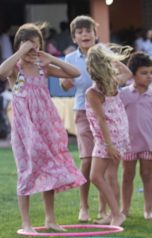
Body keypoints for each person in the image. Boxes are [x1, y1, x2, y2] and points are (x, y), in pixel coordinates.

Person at [0, 23, 85, 233]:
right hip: (25, 129)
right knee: (27, 169)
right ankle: (26, 223)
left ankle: (50, 219)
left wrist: (52, 58)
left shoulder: (42, 66)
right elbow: (2, 72)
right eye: (28, 48)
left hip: (46, 124)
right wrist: (21, 51)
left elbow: (74, 74)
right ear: (19, 47)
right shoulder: (15, 69)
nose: (32, 53)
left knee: (48, 168)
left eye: (36, 48)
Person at [85, 43, 133, 227]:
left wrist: (108, 145)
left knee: (96, 176)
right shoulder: (111, 82)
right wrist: (113, 57)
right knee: (111, 175)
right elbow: (128, 73)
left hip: (108, 138)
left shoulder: (93, 92)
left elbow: (101, 119)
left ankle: (116, 213)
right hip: (120, 133)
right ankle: (113, 214)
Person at [60, 15, 100, 222]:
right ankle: (84, 206)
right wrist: (66, 82)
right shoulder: (70, 59)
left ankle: (105, 207)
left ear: (95, 34)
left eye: (88, 31)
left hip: (105, 112)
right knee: (87, 160)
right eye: (80, 32)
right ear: (74, 37)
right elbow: (65, 84)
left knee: (105, 162)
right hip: (83, 111)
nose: (85, 34)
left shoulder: (104, 54)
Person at [119, 52, 152, 219]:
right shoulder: (123, 94)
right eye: (144, 73)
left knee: (147, 175)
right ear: (132, 74)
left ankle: (148, 210)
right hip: (128, 144)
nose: (149, 76)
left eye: (150, 73)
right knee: (127, 176)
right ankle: (124, 209)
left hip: (148, 143)